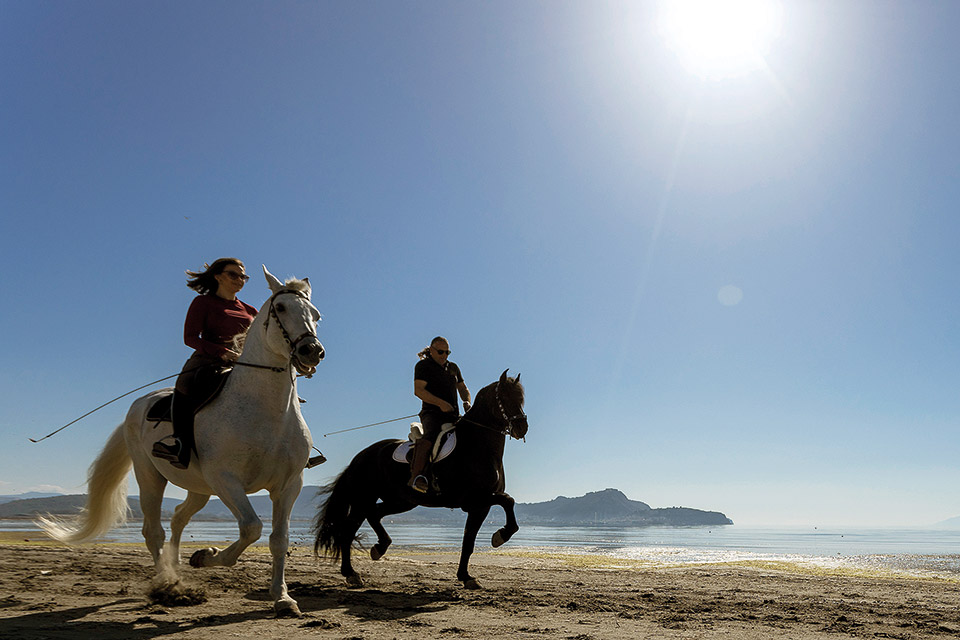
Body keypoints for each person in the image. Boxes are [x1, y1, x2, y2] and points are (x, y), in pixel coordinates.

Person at [152, 258, 258, 469]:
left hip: (245, 364)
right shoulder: (203, 303)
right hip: (208, 361)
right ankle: (180, 444)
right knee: (184, 386)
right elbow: (190, 338)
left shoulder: (251, 311)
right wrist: (222, 352)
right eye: (233, 274)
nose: (240, 279)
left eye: (243, 276)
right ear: (218, 276)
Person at [409, 336, 471, 493]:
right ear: (431, 350)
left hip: (453, 416)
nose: (444, 356)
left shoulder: (453, 368)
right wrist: (441, 404)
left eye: (447, 352)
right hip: (432, 414)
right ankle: (418, 477)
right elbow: (419, 391)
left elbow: (463, 389)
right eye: (441, 352)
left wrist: (467, 401)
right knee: (431, 435)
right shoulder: (423, 366)